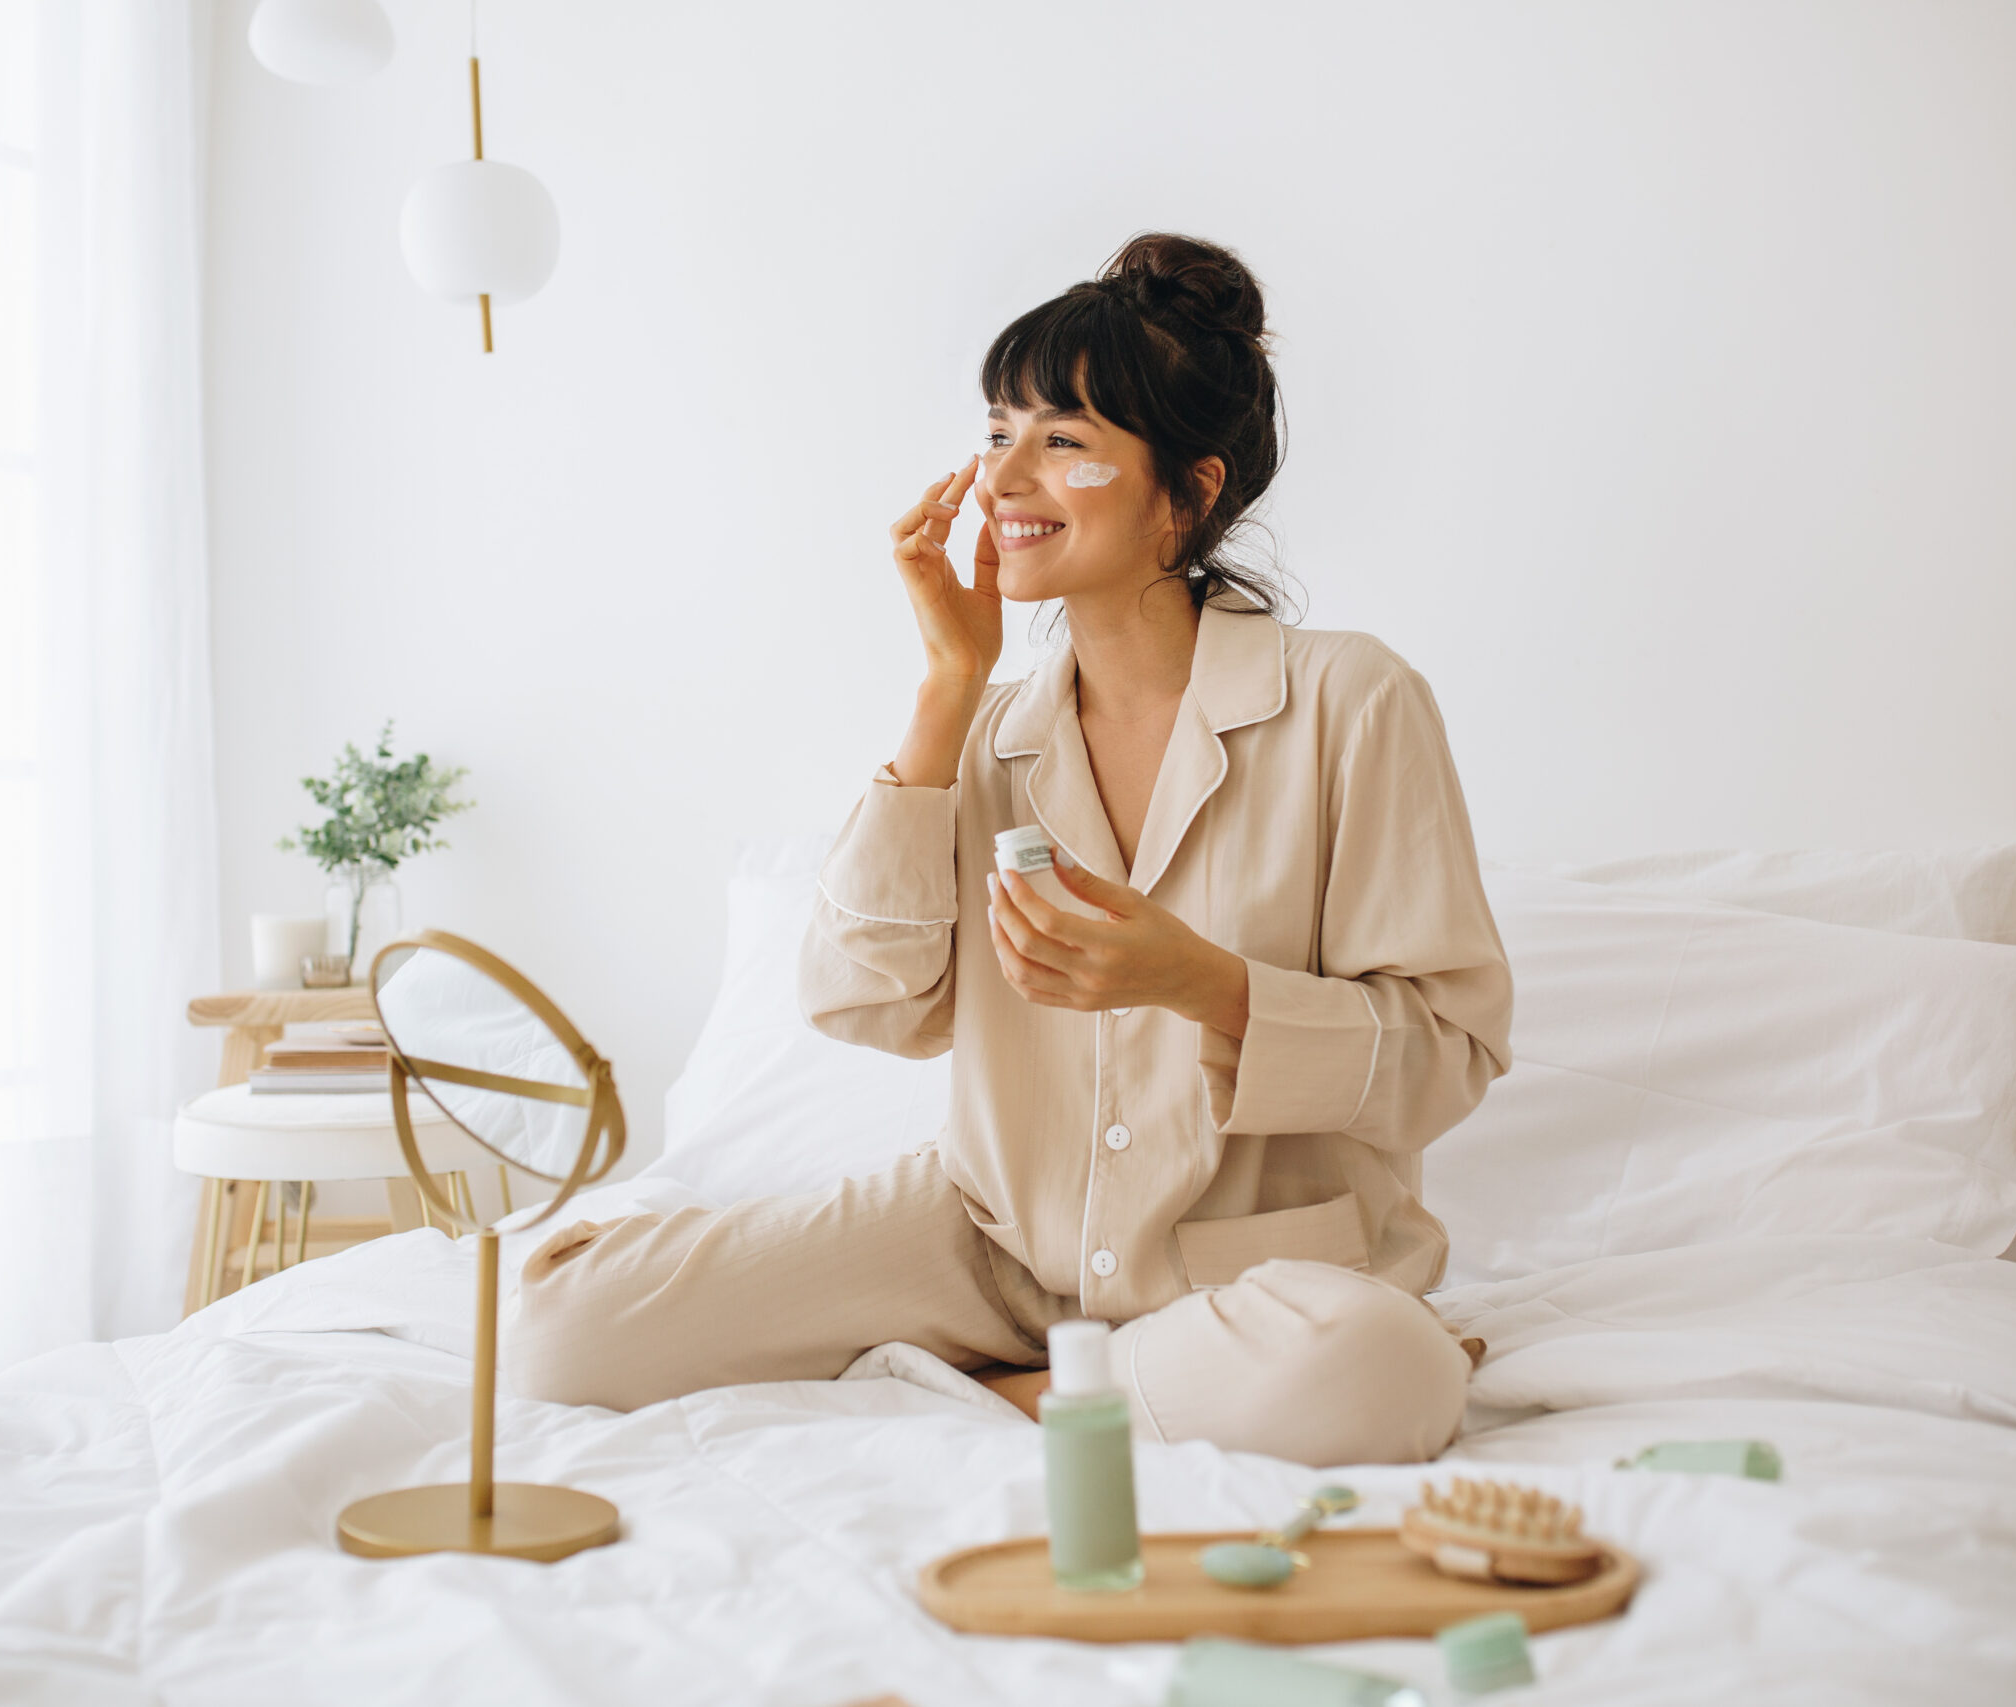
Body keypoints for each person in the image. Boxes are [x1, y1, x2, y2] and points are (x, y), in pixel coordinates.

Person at [511, 234, 1512, 1467]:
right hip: (994, 1243)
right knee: (561, 1324)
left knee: (1377, 1368)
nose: (1004, 479)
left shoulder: (1350, 700)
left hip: (1243, 1277)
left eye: (1066, 441)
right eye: (998, 433)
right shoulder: (990, 733)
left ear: (1188, 497)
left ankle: (1031, 1392)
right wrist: (947, 686)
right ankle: (1079, 1381)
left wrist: (1197, 982)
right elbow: (864, 1003)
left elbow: (1446, 1060)